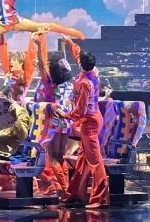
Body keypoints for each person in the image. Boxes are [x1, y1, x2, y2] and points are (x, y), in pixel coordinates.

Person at [56, 50, 109, 209]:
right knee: (83, 159)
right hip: (91, 119)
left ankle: (101, 198)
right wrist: (70, 43)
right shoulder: (92, 72)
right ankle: (75, 193)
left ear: (80, 63)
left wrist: (65, 115)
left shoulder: (85, 83)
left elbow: (80, 110)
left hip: (89, 122)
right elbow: (78, 53)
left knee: (94, 160)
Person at [30, 33, 75, 196]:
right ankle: (67, 188)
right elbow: (62, 63)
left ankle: (65, 190)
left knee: (53, 157)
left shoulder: (49, 82)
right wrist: (63, 46)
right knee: (61, 156)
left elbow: (42, 64)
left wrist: (38, 46)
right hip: (66, 122)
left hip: (53, 121)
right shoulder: (68, 83)